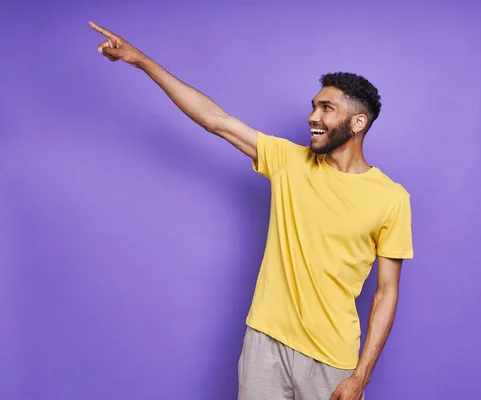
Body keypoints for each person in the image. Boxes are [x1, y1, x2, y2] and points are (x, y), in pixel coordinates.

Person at [89, 20, 414, 400]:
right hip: (264, 344)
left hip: (332, 360)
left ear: (358, 122)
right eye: (313, 106)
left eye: (327, 108)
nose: (313, 116)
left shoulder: (391, 198)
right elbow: (216, 120)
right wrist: (141, 61)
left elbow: (386, 293)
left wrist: (361, 376)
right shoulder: (290, 161)